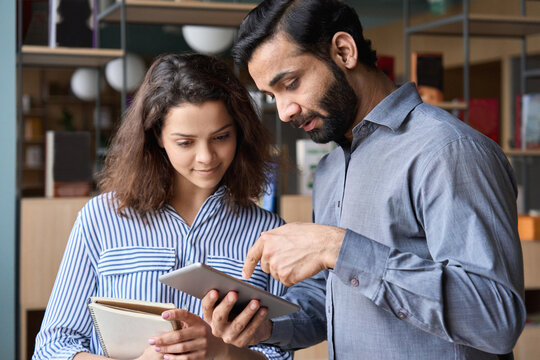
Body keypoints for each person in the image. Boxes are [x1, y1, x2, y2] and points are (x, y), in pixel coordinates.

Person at [200, 1, 527, 359]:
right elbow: (333, 298)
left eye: (291, 83)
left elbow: (496, 319)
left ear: (344, 51)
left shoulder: (448, 151)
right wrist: (267, 328)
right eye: (272, 96)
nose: (284, 111)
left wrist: (337, 247)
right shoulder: (330, 169)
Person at [33, 53, 292, 360]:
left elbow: (278, 353)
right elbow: (52, 348)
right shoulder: (101, 218)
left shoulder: (268, 233)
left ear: (239, 131)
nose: (206, 157)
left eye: (221, 137)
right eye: (185, 142)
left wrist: (220, 353)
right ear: (157, 135)